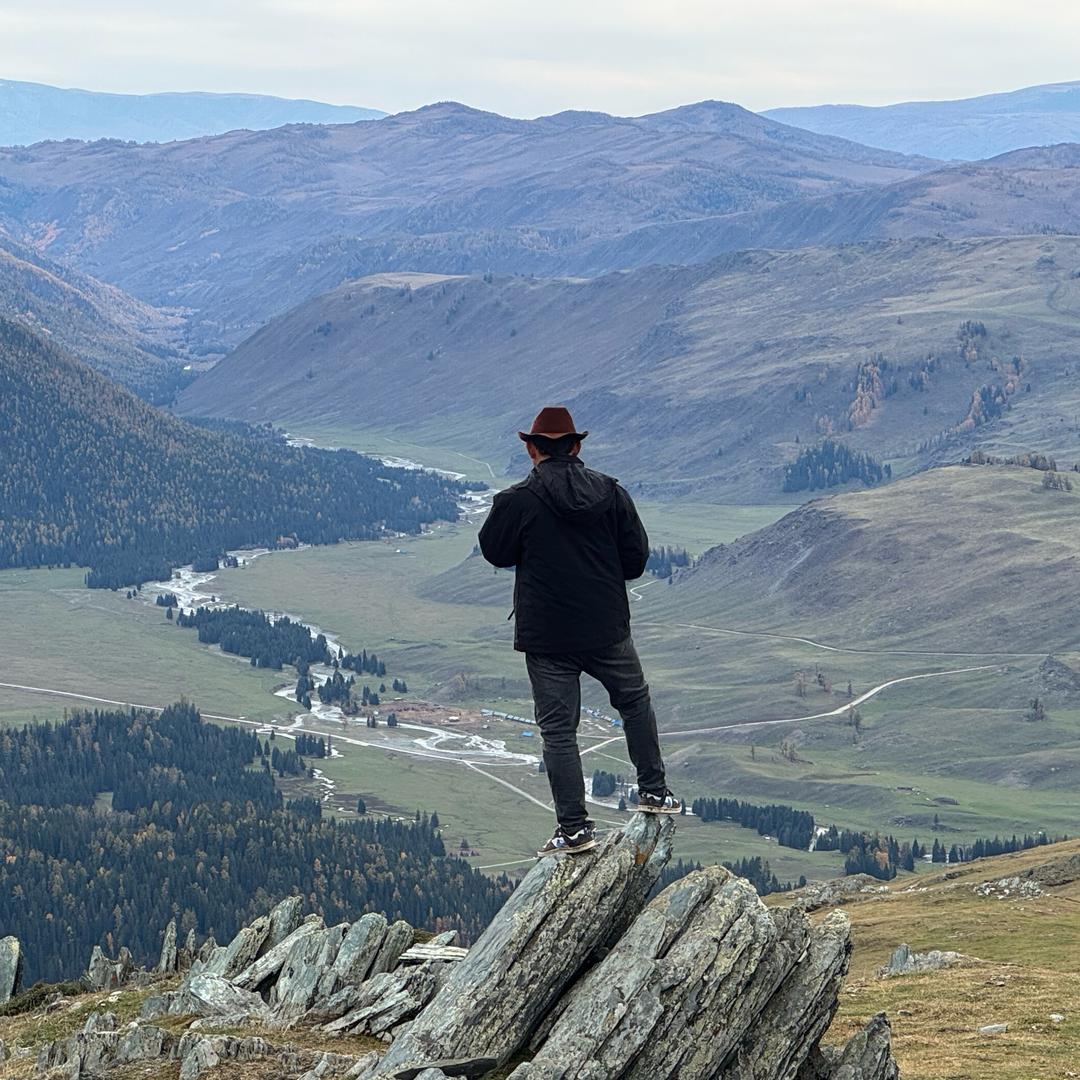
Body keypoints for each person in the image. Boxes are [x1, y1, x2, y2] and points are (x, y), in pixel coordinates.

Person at [478, 405, 681, 857]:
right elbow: (635, 559)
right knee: (634, 702)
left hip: (548, 637)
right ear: (577, 445)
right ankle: (655, 792)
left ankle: (574, 829)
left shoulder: (518, 500)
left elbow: (495, 551)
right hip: (607, 626)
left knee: (558, 731)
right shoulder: (611, 494)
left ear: (532, 449)